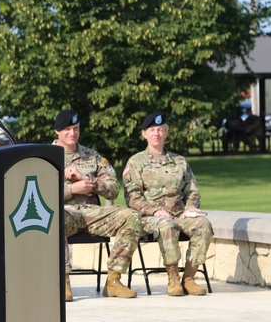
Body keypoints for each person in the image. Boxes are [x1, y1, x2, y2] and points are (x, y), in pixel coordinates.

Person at [54, 109, 142, 301]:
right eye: (67, 129)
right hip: (64, 213)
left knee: (132, 217)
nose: (72, 133)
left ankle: (114, 281)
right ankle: (63, 282)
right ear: (57, 132)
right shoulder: (45, 157)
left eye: (76, 128)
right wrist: (72, 189)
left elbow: (113, 189)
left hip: (92, 213)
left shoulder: (91, 156)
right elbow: (38, 193)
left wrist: (90, 182)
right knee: (55, 220)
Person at [122, 112, 213, 296]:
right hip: (149, 218)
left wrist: (190, 208)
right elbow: (132, 198)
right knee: (167, 224)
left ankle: (188, 278)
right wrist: (155, 211)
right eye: (152, 130)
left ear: (166, 132)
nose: (156, 133)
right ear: (144, 134)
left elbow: (192, 191)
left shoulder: (179, 161)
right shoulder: (136, 162)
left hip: (179, 214)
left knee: (204, 225)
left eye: (160, 129)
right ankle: (173, 279)